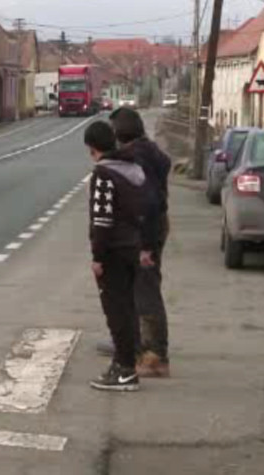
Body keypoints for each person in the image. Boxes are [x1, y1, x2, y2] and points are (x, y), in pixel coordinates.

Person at [99, 107, 173, 378]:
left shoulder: (138, 158)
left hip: (146, 232)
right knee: (136, 287)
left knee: (146, 290)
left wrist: (144, 246)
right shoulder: (148, 151)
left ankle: (155, 356)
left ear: (120, 134)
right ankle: (135, 342)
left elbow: (149, 202)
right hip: (152, 227)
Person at [84, 121, 147, 392]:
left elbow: (102, 219)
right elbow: (148, 210)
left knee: (116, 310)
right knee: (128, 308)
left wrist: (97, 257)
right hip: (132, 246)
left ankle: (124, 370)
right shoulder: (134, 170)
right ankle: (129, 361)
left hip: (113, 251)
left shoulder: (103, 175)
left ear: (93, 147)